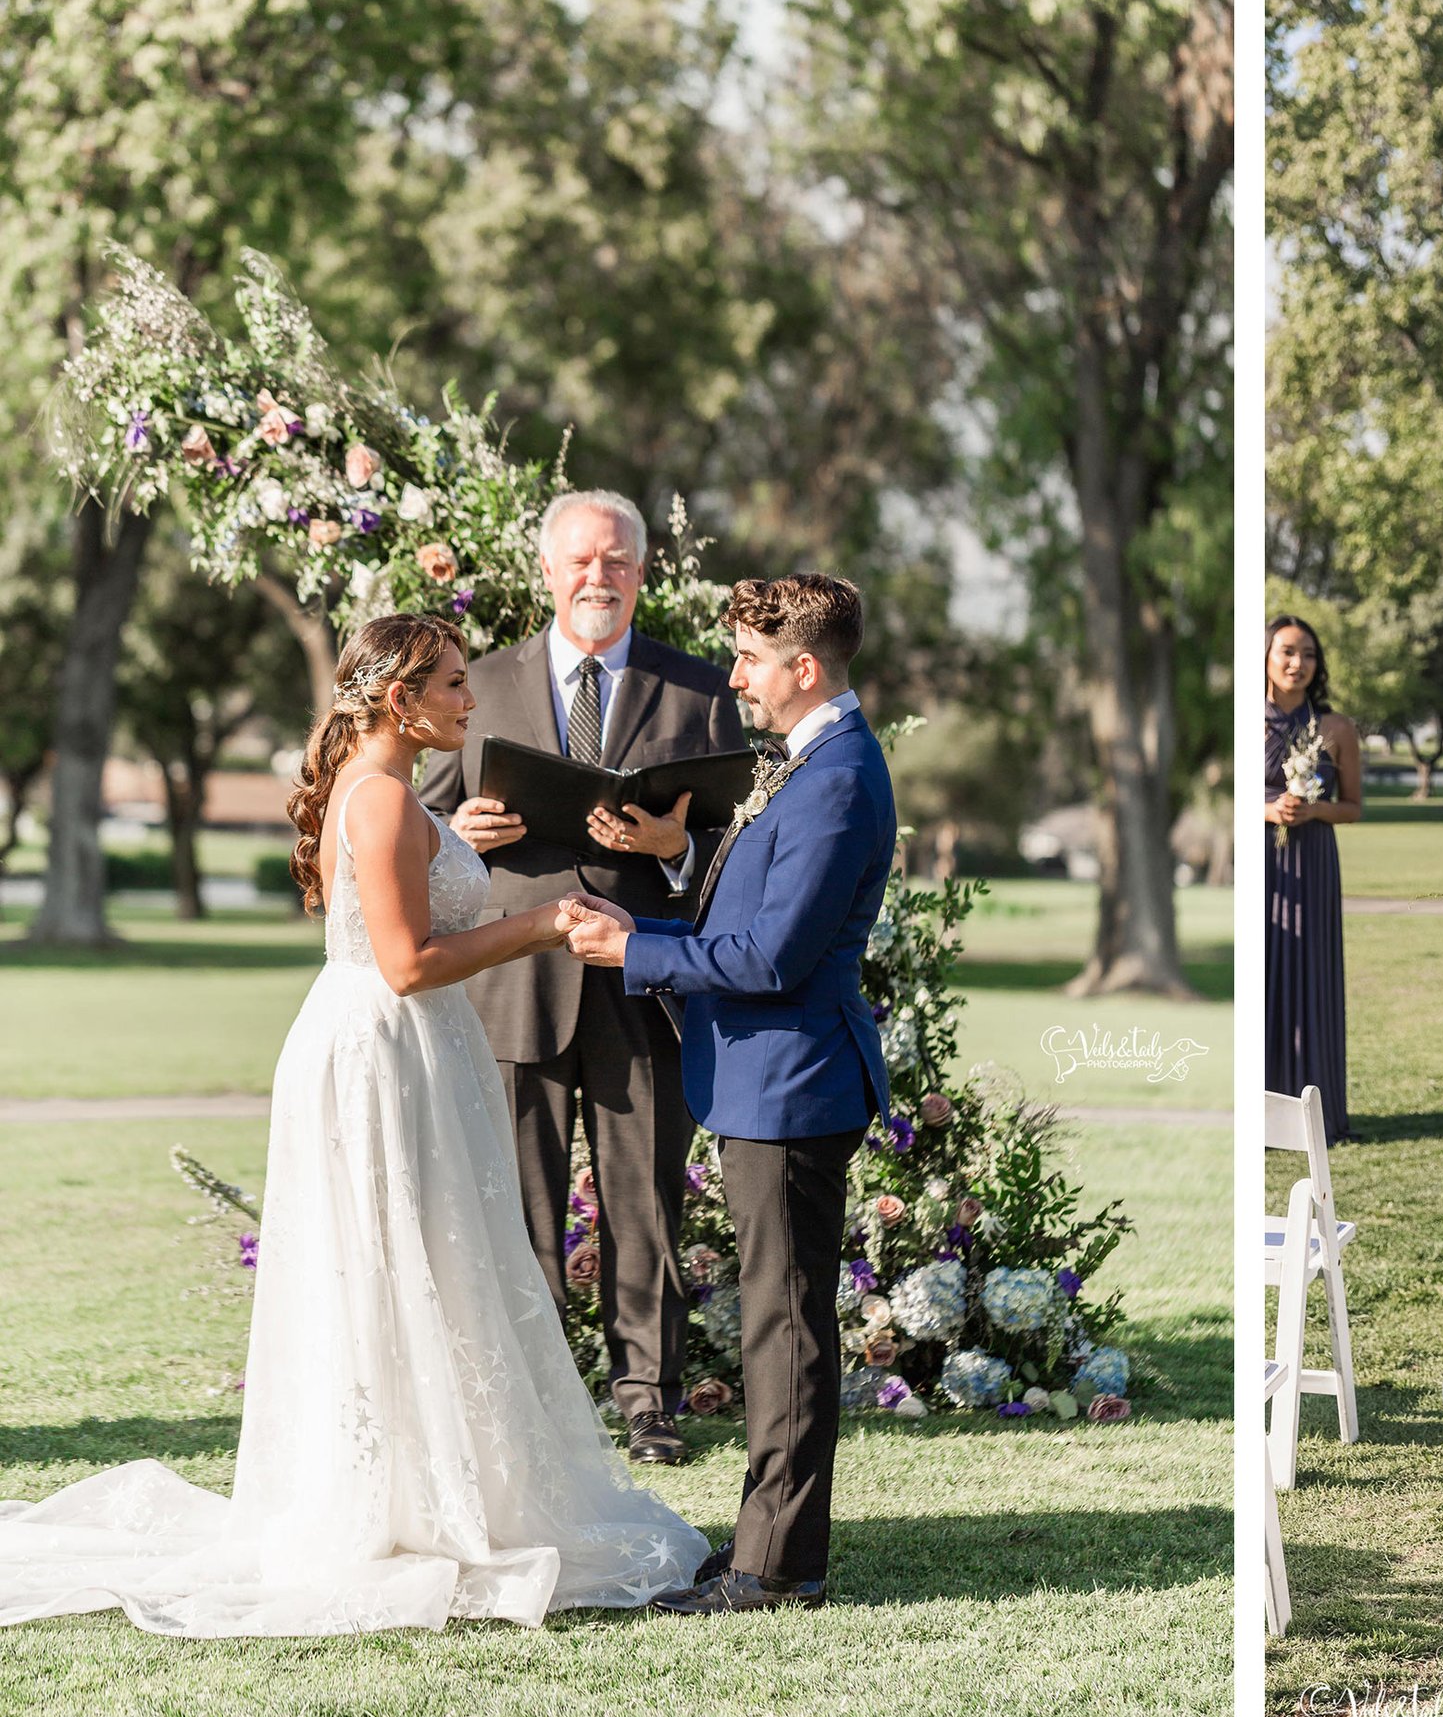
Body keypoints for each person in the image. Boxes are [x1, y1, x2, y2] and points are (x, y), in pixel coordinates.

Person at [0, 615, 708, 1635]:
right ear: (399, 699)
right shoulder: (376, 798)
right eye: (455, 685)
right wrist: (545, 923)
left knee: (431, 1263)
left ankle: (432, 1485)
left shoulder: (392, 794)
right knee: (388, 1265)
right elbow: (406, 962)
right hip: (381, 1048)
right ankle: (388, 1505)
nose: (472, 701)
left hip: (414, 1048)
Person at [560, 574, 895, 1616]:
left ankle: (775, 1568)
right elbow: (765, 888)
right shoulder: (811, 764)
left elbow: (774, 952)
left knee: (785, 1330)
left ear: (804, 668)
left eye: (750, 659)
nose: (736, 677)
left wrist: (633, 946)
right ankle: (766, 1544)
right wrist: (682, 851)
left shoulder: (837, 774)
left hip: (793, 1082)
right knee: (773, 1322)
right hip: (764, 1078)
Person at [418, 490, 744, 1468]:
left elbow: (741, 846)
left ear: (641, 572)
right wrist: (455, 830)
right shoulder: (478, 684)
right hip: (512, 982)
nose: (597, 577)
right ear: (547, 571)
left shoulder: (696, 690)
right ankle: (528, 1395)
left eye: (616, 561)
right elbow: (415, 823)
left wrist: (682, 844)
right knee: (515, 1201)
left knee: (645, 1198)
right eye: (580, 561)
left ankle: (647, 1396)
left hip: (645, 981)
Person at [1264, 615, 1362, 1142]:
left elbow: (1354, 807)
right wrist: (1267, 810)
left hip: (1312, 864)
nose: (1297, 663)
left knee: (1311, 976)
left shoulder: (1336, 728)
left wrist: (1314, 812)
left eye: (1307, 654)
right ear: (1266, 655)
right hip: (1261, 865)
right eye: (1286, 651)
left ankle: (1315, 1113)